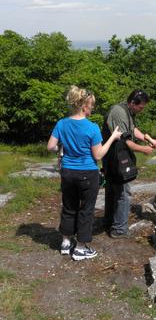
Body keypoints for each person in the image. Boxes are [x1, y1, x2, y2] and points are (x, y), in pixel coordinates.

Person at [47, 85, 122, 261]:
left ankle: (66, 242)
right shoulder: (92, 127)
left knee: (69, 206)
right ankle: (80, 248)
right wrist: (113, 137)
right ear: (84, 106)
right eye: (92, 105)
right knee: (86, 210)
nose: (93, 108)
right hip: (88, 173)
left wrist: (61, 151)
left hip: (67, 172)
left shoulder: (62, 123)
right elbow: (98, 155)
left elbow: (50, 146)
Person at [102, 90, 156, 238]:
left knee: (112, 190)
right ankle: (119, 229)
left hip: (114, 155)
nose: (142, 110)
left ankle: (109, 222)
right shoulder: (118, 112)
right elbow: (125, 141)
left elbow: (132, 129)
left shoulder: (126, 111)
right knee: (122, 192)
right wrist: (144, 150)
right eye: (141, 107)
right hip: (115, 157)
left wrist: (149, 139)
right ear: (133, 103)